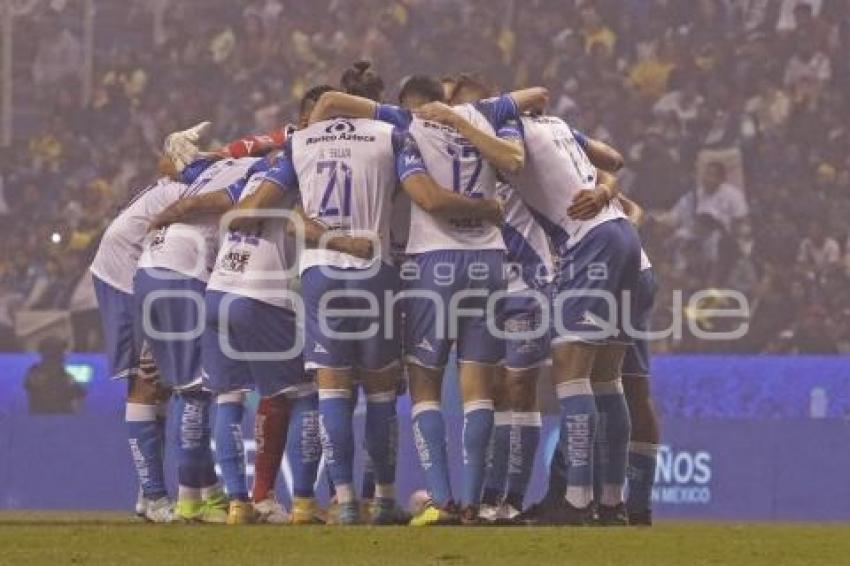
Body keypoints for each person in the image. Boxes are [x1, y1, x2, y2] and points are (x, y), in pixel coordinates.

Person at [234, 76, 503, 524]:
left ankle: (343, 503)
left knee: (332, 393)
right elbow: (424, 194)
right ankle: (382, 498)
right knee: (382, 395)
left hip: (320, 273)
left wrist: (302, 218)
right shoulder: (392, 135)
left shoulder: (299, 142)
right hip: (380, 271)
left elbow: (253, 210)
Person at [310, 71, 547, 525]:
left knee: (425, 388)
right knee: (479, 391)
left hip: (434, 264)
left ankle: (441, 500)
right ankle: (474, 505)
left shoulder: (406, 123)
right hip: (490, 264)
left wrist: (311, 130)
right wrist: (473, 116)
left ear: (413, 102)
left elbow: (340, 102)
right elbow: (537, 93)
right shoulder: (486, 114)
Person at [139, 154, 259, 523]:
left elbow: (169, 167)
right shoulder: (258, 170)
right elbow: (214, 202)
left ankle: (201, 494)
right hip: (183, 271)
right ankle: (191, 500)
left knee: (184, 389)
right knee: (197, 391)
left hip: (149, 269)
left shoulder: (212, 165)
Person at [24, 337, 85, 415]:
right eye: (61, 352)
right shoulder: (35, 373)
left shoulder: (63, 374)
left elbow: (79, 395)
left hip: (64, 422)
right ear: (52, 354)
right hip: (44, 421)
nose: (65, 355)